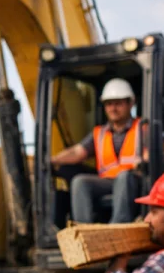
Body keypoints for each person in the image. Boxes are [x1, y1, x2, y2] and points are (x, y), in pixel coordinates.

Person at [52, 78, 148, 223]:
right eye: (109, 104)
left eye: (118, 103)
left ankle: (118, 227)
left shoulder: (143, 128)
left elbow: (152, 152)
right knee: (80, 182)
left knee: (124, 177)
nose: (113, 108)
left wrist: (144, 161)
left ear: (130, 103)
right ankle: (84, 230)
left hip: (135, 181)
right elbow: (77, 152)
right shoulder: (99, 133)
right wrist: (52, 160)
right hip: (108, 182)